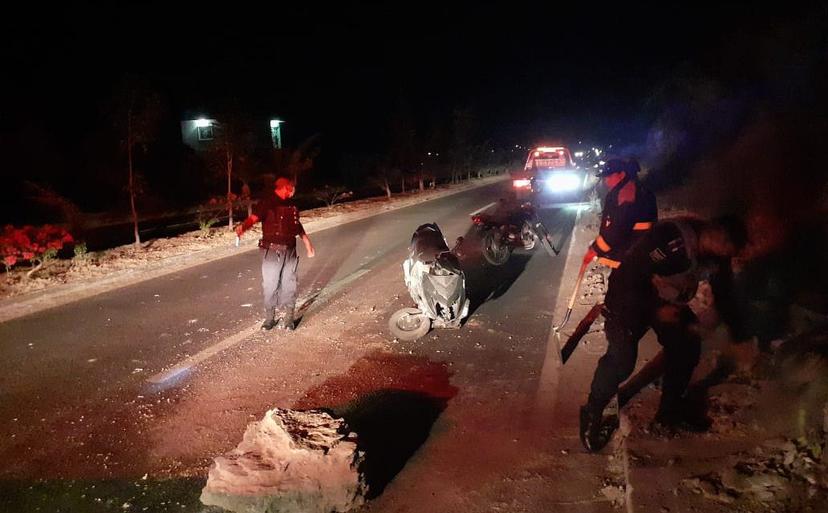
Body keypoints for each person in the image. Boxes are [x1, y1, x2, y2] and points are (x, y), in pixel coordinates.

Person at [579, 215, 750, 452]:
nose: (727, 255)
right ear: (715, 234)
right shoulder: (669, 239)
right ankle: (592, 410)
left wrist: (739, 336)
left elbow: (724, 293)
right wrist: (657, 308)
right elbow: (631, 275)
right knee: (622, 360)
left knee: (687, 345)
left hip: (663, 301)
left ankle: (669, 412)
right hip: (627, 299)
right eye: (726, 247)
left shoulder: (716, 256)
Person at [236, 177, 315, 331]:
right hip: (271, 252)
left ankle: (289, 318)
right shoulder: (267, 203)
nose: (293, 191)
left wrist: (307, 243)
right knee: (270, 286)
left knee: (289, 284)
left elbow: (297, 226)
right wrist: (243, 228)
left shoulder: (292, 205)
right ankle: (269, 318)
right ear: (286, 187)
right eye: (292, 187)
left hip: (290, 251)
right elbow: (254, 218)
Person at [582, 158, 658, 271]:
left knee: (621, 284)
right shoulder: (634, 188)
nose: (606, 181)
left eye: (609, 176)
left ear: (621, 174)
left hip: (631, 253)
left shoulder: (626, 194)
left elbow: (617, 228)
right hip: (638, 248)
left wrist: (595, 249)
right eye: (605, 177)